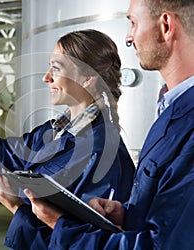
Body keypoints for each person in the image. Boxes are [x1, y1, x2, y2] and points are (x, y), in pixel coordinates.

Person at [19, 0, 194, 249]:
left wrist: (60, 226)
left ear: (166, 25)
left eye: (133, 23)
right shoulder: (170, 109)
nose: (128, 37)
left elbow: (162, 245)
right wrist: (127, 214)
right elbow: (171, 217)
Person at [0, 29, 135, 249]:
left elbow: (79, 241)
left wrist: (17, 207)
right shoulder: (55, 131)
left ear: (88, 77)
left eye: (56, 68)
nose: (46, 77)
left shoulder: (99, 152)